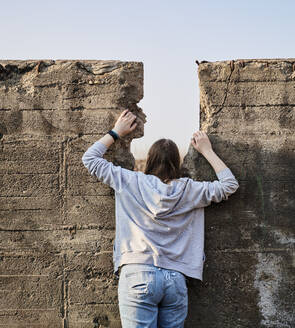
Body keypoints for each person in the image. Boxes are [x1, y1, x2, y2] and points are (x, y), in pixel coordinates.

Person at [82, 109, 239, 328]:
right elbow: (229, 185)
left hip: (137, 274)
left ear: (150, 160)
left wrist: (117, 131)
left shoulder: (130, 181)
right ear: (177, 162)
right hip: (175, 278)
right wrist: (207, 150)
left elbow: (90, 159)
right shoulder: (189, 190)